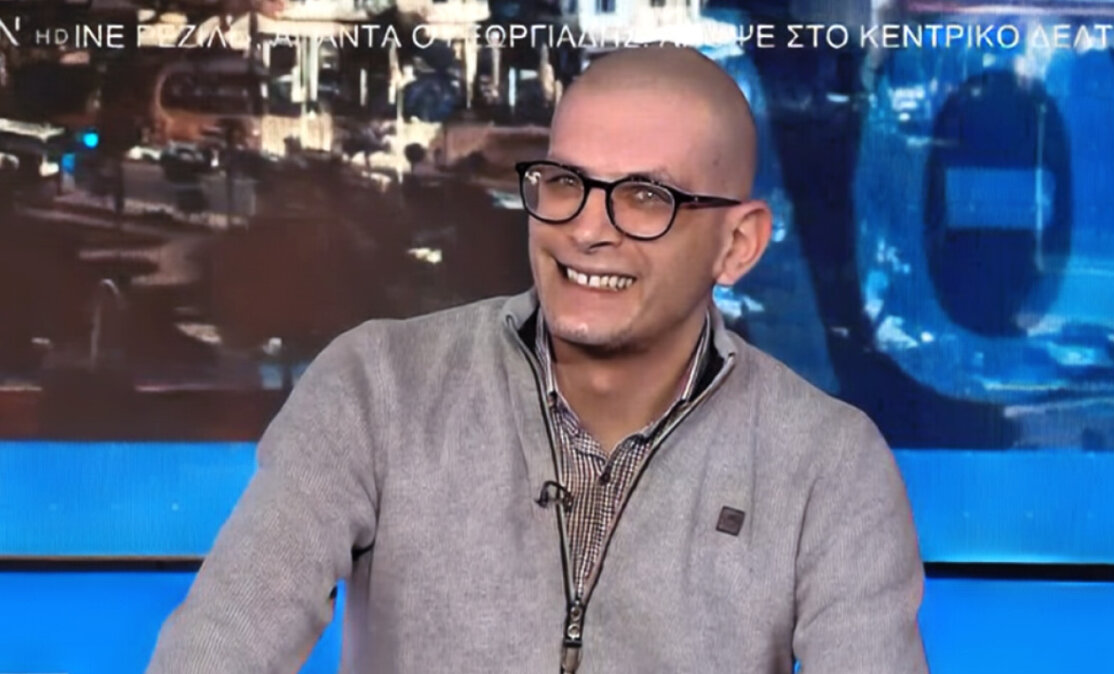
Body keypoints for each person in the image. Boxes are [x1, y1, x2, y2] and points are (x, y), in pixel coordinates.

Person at [148, 46, 928, 673]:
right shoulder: (377, 388)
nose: (587, 229)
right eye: (564, 183)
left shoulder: (827, 464)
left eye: (645, 197)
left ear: (738, 244)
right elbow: (224, 642)